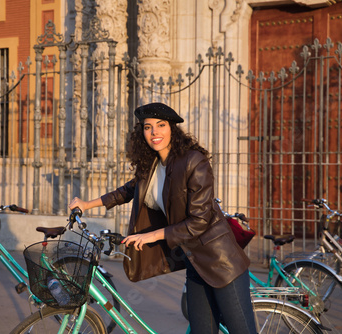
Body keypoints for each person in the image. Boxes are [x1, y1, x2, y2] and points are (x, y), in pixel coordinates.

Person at [68, 102, 256, 333]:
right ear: (142, 133)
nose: (154, 132)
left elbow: (200, 220)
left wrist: (151, 236)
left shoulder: (194, 161)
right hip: (195, 262)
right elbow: (127, 191)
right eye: (148, 127)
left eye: (161, 125)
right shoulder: (152, 165)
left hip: (221, 262)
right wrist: (87, 204)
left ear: (172, 129)